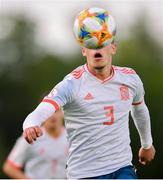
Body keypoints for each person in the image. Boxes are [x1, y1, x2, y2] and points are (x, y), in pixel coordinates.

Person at [22, 8, 155, 179]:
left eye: (102, 43)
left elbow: (139, 109)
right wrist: (30, 124)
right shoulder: (72, 84)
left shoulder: (130, 79)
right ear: (84, 51)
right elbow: (43, 109)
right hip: (85, 174)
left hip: (122, 168)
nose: (96, 48)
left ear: (113, 48)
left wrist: (146, 144)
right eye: (91, 44)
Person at [3, 110, 68, 179]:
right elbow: (9, 167)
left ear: (63, 112)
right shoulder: (31, 136)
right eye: (49, 111)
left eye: (56, 111)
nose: (53, 115)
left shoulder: (72, 137)